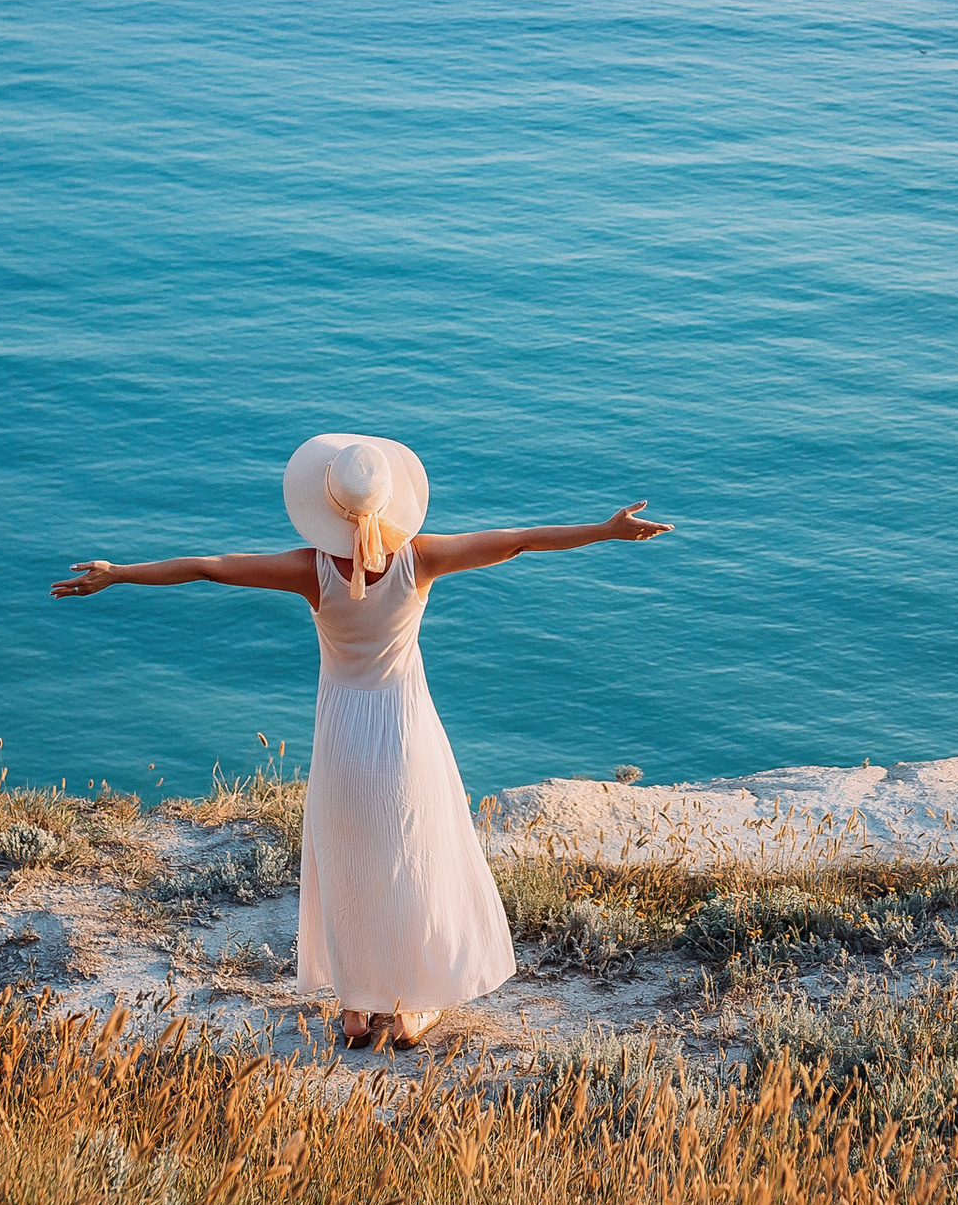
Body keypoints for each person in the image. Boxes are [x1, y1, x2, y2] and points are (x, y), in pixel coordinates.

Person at [52, 434, 669, 1049]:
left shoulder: (308, 570)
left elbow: (210, 567)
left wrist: (119, 574)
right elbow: (518, 540)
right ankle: (405, 1010)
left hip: (342, 734)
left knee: (349, 862)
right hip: (404, 731)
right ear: (391, 501)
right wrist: (605, 529)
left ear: (327, 504)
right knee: (410, 861)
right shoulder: (420, 559)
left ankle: (355, 1010)